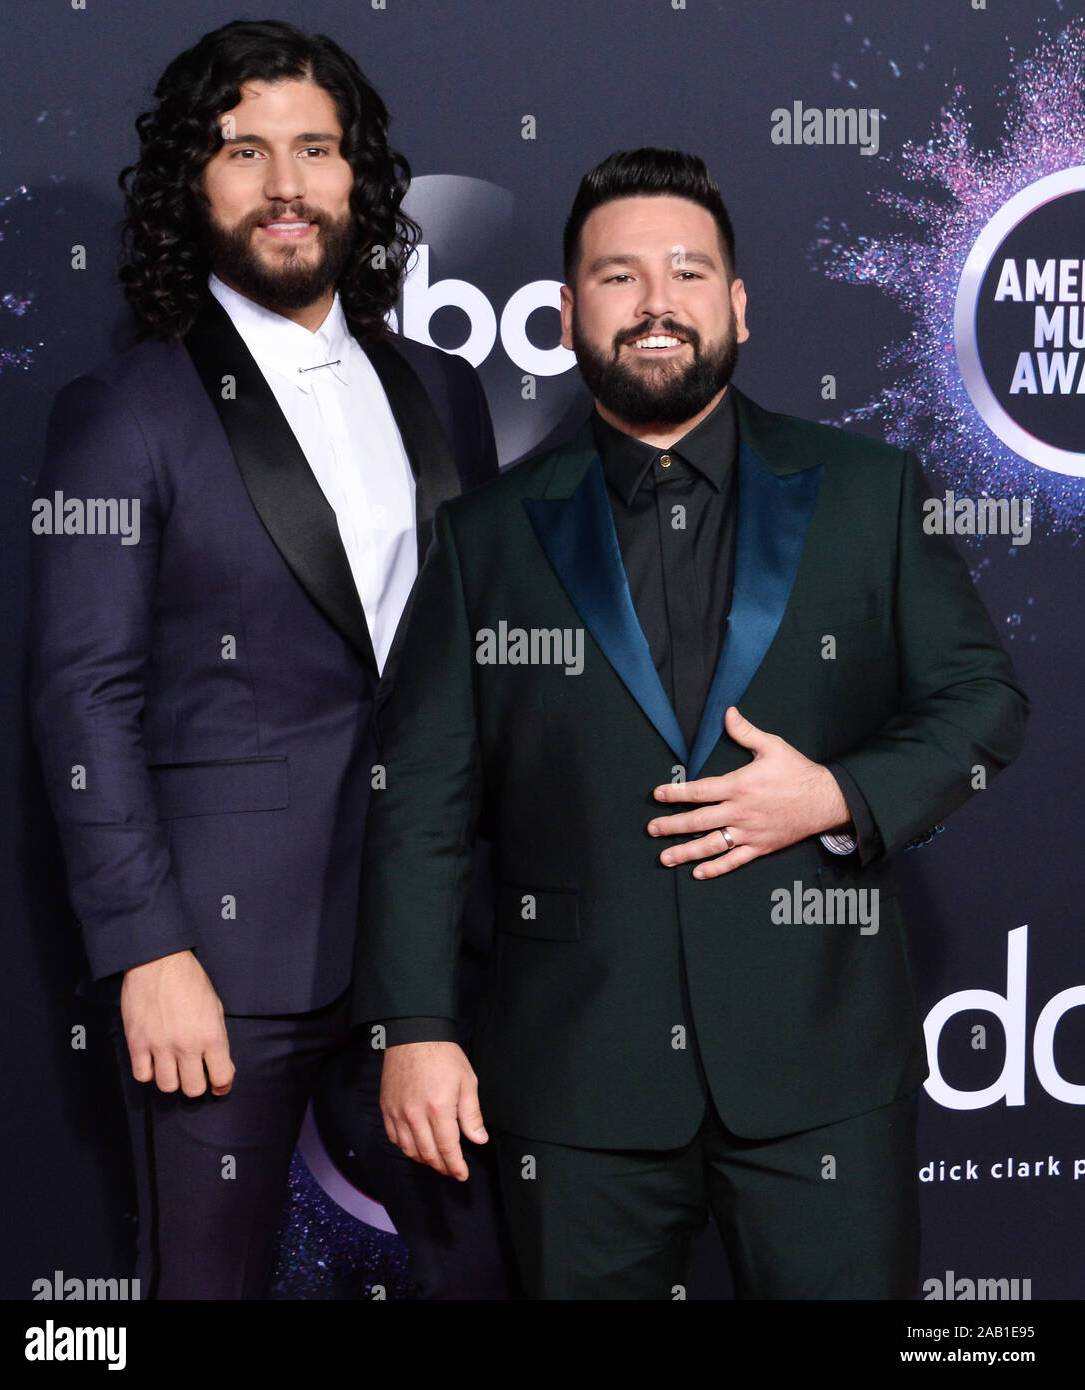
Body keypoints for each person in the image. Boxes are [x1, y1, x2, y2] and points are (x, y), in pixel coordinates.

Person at [351, 147, 1030, 1299]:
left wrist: (838, 794)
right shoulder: (488, 538)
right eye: (619, 278)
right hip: (574, 1079)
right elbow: (420, 798)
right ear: (567, 315)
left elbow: (985, 704)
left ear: (739, 306)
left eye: (688, 272)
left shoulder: (868, 491)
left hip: (820, 1065)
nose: (658, 303)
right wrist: (412, 1026)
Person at [29, 19, 512, 1300]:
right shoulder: (129, 408)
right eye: (245, 150)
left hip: (429, 940)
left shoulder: (445, 391)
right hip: (221, 958)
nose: (286, 183)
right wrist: (145, 949)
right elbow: (84, 696)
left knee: (473, 1273)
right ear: (196, 183)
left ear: (360, 179)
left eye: (316, 148)